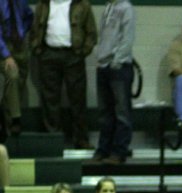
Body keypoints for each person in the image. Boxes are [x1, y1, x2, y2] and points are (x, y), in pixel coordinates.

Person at [30, 0, 95, 148]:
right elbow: (35, 30)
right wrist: (37, 49)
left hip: (73, 55)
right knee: (50, 99)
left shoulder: (82, 4)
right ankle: (53, 138)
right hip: (49, 54)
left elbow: (91, 33)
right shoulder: (44, 4)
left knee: (78, 98)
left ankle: (81, 139)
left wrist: (83, 52)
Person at [93, 0, 134, 165]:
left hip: (119, 66)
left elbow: (127, 38)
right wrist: (99, 58)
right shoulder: (107, 7)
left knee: (121, 111)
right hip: (103, 65)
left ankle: (119, 151)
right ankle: (103, 149)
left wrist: (117, 61)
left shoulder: (127, 8)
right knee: (105, 112)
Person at [0, 0, 32, 136]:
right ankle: (15, 119)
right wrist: (6, 55)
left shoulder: (20, 1)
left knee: (19, 82)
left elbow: (29, 16)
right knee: (12, 75)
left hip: (20, 44)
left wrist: (22, 32)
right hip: (4, 45)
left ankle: (6, 120)